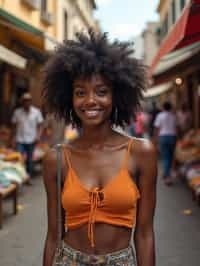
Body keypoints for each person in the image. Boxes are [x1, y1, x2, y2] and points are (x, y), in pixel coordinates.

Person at [42, 30, 157, 266]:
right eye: (80, 92)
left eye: (101, 91)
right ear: (69, 98)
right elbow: (53, 236)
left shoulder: (141, 153)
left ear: (117, 96)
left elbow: (145, 234)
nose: (90, 101)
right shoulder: (56, 158)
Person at [12, 92, 43, 182]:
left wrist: (38, 136)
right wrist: (12, 138)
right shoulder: (17, 112)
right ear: (22, 102)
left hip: (31, 139)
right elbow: (14, 126)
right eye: (25, 101)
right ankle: (19, 177)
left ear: (30, 102)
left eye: (28, 100)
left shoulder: (36, 112)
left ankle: (28, 177)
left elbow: (40, 125)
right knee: (19, 159)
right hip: (20, 139)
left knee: (29, 160)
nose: (26, 102)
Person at [154, 101, 177, 186]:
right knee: (170, 157)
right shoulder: (173, 115)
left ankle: (167, 177)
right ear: (170, 107)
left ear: (163, 107)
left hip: (163, 137)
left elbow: (157, 128)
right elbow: (176, 127)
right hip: (172, 137)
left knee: (166, 157)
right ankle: (167, 174)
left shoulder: (160, 116)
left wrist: (155, 139)